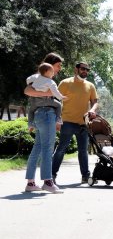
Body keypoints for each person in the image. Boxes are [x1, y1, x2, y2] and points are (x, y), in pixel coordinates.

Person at [51, 62, 99, 184]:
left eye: (87, 69)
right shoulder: (65, 83)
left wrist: (92, 110)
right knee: (61, 149)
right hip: (67, 122)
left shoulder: (90, 85)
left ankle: (85, 176)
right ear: (76, 69)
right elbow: (54, 99)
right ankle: (51, 175)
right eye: (83, 69)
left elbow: (95, 101)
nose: (85, 71)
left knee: (83, 151)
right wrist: (57, 119)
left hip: (83, 124)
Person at [24, 53, 65, 193]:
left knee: (38, 148)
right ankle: (48, 181)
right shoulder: (42, 79)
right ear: (49, 65)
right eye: (58, 65)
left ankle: (30, 183)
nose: (59, 68)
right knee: (48, 148)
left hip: (39, 115)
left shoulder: (38, 79)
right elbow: (27, 91)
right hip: (46, 114)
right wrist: (50, 94)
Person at [26, 63, 67, 132]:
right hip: (46, 100)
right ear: (47, 71)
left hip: (36, 102)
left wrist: (31, 84)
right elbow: (55, 92)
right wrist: (61, 97)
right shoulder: (50, 82)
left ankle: (30, 124)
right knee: (59, 105)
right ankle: (58, 119)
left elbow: (28, 79)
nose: (53, 73)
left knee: (31, 111)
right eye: (52, 71)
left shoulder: (36, 76)